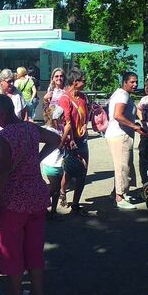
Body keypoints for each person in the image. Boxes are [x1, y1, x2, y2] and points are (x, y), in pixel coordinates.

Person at [0, 94, 60, 295]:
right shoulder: (30, 128)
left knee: (11, 251)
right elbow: (56, 139)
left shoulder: (4, 137)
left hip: (12, 201)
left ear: (1, 113)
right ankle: (37, 292)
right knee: (34, 249)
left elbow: (2, 171)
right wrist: (37, 158)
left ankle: (15, 294)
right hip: (36, 197)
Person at [104, 72, 146, 209]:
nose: (135, 85)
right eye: (132, 82)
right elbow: (118, 115)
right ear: (125, 82)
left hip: (118, 134)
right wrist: (135, 127)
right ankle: (119, 197)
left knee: (123, 164)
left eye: (136, 82)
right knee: (122, 166)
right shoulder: (122, 95)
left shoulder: (121, 94)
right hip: (119, 135)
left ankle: (117, 192)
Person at [57, 68, 90, 215]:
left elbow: (86, 115)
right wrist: (69, 139)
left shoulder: (83, 97)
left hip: (82, 139)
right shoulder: (64, 98)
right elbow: (67, 121)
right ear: (75, 82)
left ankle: (75, 204)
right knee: (70, 171)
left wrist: (84, 125)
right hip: (71, 140)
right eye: (83, 80)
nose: (85, 82)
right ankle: (62, 192)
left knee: (83, 171)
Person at [41, 106, 64, 218]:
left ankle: (53, 211)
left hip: (58, 162)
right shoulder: (49, 131)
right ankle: (41, 203)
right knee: (54, 187)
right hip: (51, 163)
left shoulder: (58, 128)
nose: (63, 118)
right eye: (61, 116)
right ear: (55, 118)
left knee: (57, 187)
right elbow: (58, 144)